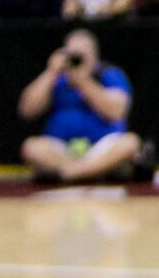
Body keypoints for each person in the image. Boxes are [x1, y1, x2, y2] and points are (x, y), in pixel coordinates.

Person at [18, 28, 142, 183]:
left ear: (94, 55)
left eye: (81, 56)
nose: (76, 61)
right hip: (62, 150)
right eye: (72, 56)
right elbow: (27, 110)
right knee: (31, 147)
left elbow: (116, 112)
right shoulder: (57, 79)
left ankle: (70, 175)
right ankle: (90, 172)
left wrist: (83, 82)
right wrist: (50, 72)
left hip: (101, 148)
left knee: (130, 143)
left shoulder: (109, 75)